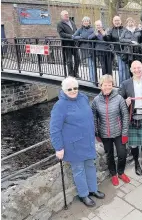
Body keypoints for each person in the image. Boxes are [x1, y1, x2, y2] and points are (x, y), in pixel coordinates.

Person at [50, 77, 105, 207]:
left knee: (90, 165)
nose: (73, 91)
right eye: (69, 89)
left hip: (87, 141)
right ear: (63, 90)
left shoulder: (83, 98)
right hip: (73, 145)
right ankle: (84, 195)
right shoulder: (59, 106)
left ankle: (93, 189)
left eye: (75, 88)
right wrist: (59, 148)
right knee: (79, 170)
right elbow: (54, 130)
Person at [91, 75, 130, 186]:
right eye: (105, 85)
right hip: (104, 133)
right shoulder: (96, 101)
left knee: (122, 153)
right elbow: (93, 117)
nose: (107, 87)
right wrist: (96, 132)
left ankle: (121, 172)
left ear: (112, 86)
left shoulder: (119, 98)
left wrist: (125, 133)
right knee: (109, 155)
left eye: (110, 85)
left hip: (118, 132)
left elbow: (125, 116)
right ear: (101, 86)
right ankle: (113, 174)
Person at [103, 16, 126, 84]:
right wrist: (104, 35)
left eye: (118, 20)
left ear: (120, 21)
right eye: (115, 21)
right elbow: (108, 39)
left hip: (126, 52)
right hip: (118, 52)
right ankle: (122, 85)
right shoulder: (111, 30)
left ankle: (127, 84)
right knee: (121, 69)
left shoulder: (125, 29)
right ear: (113, 22)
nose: (117, 22)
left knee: (127, 69)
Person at [57, 10, 80, 78]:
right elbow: (61, 34)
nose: (67, 15)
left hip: (74, 43)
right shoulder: (60, 24)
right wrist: (71, 36)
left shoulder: (72, 22)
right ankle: (70, 74)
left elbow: (75, 30)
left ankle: (75, 73)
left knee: (78, 59)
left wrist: (77, 35)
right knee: (69, 60)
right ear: (62, 16)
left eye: (67, 14)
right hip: (67, 44)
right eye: (65, 14)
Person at [72, 16, 95, 82]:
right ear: (82, 22)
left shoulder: (92, 29)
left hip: (92, 48)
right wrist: (80, 37)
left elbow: (93, 35)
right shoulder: (80, 29)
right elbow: (73, 36)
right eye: (84, 21)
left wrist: (85, 37)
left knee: (93, 65)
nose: (86, 22)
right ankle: (92, 80)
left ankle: (94, 79)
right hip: (85, 49)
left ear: (89, 22)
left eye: (87, 21)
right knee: (91, 65)